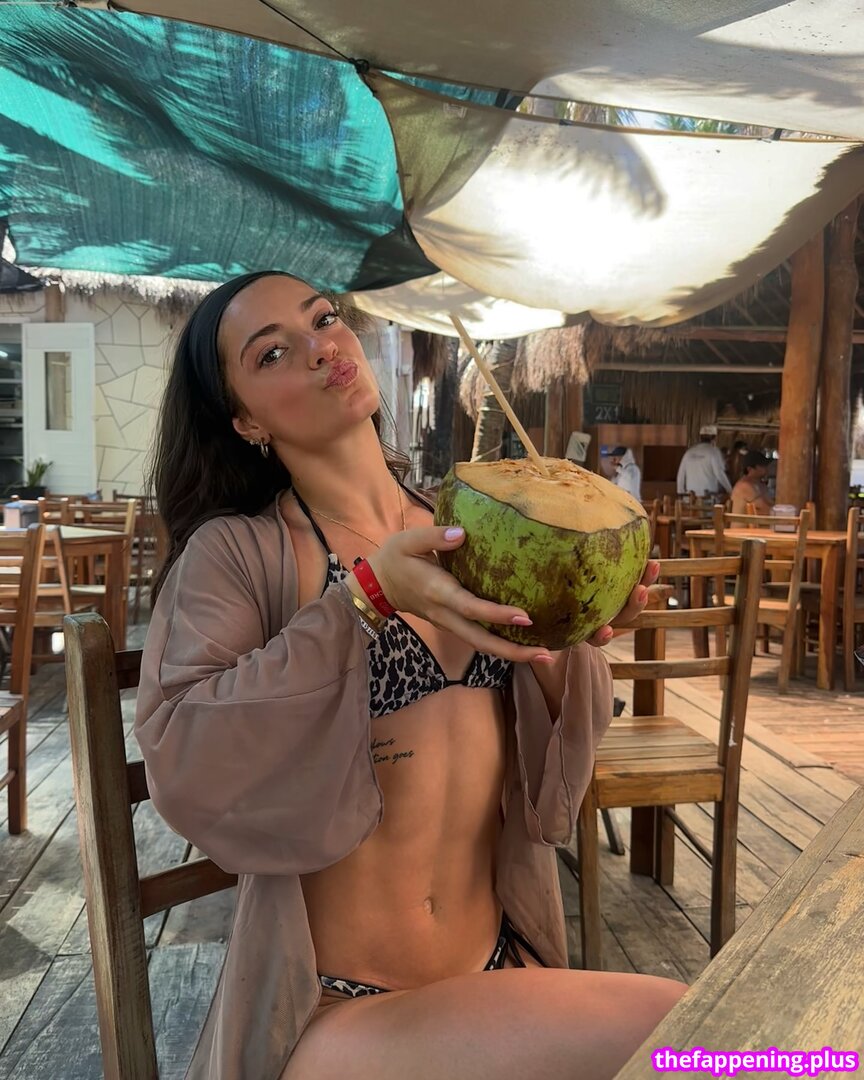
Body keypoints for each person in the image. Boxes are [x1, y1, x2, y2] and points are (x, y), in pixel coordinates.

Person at [135, 271, 685, 1080]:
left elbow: (553, 759)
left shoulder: (471, 528)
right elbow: (182, 750)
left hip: (497, 965)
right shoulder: (238, 553)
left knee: (730, 1038)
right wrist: (365, 599)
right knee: (702, 1036)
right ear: (245, 419)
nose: (319, 347)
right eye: (273, 353)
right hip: (336, 1008)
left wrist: (569, 639)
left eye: (324, 320)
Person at [676, 425, 732, 499]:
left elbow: (680, 475)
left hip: (690, 498)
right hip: (708, 498)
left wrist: (680, 493)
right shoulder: (714, 452)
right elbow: (719, 474)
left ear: (700, 437)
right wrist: (730, 490)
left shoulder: (689, 452)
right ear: (714, 437)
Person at [730, 449, 774, 515]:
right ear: (749, 469)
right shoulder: (744, 486)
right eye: (762, 465)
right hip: (743, 522)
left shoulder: (759, 484)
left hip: (756, 521)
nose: (766, 468)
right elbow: (765, 509)